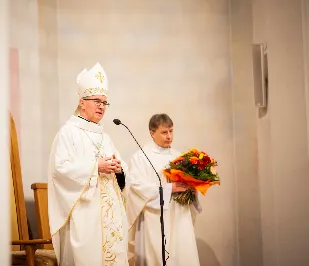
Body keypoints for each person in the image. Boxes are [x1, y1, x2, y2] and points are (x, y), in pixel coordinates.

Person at [47, 62, 129, 266]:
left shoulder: (105, 137)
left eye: (105, 102)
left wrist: (119, 169)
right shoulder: (68, 132)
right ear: (82, 102)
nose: (102, 106)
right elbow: (60, 170)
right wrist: (96, 167)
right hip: (85, 217)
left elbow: (122, 170)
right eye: (97, 101)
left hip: (110, 220)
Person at [126, 113, 201, 266]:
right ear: (152, 133)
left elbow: (187, 186)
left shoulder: (179, 157)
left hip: (180, 216)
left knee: (182, 255)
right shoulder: (141, 157)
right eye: (164, 132)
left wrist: (192, 190)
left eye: (171, 131)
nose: (169, 136)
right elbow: (136, 188)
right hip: (155, 218)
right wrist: (168, 189)